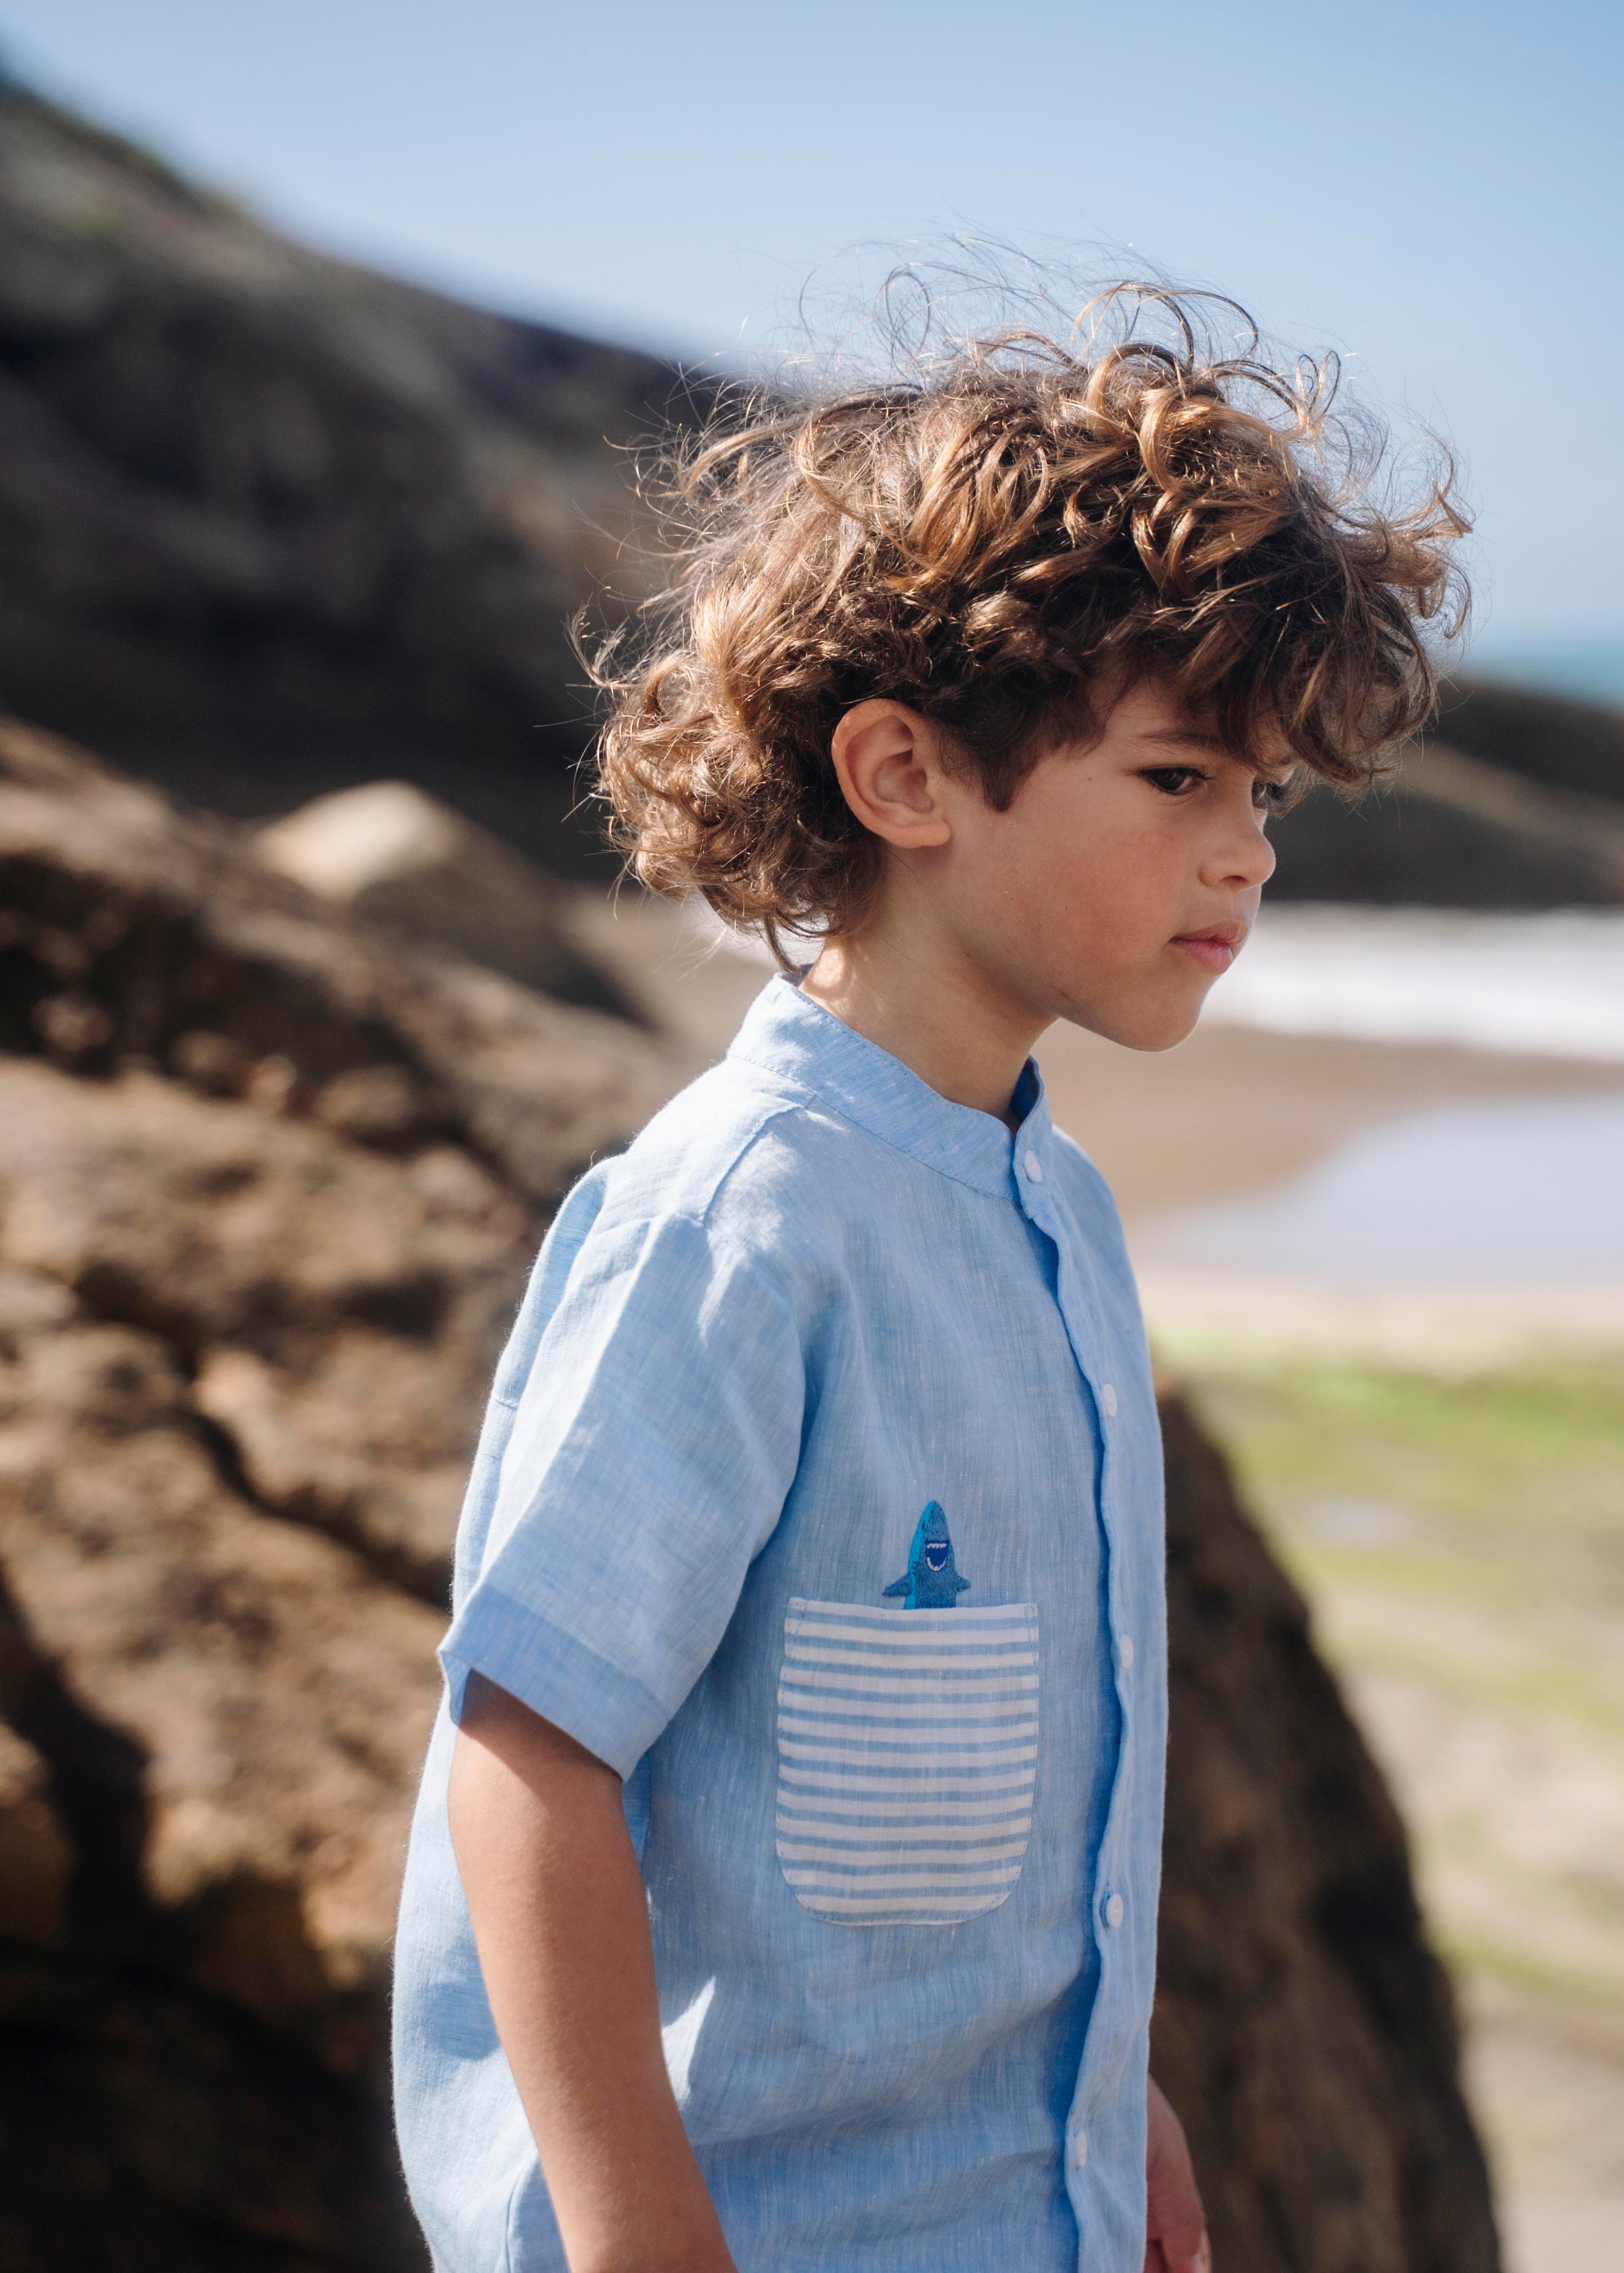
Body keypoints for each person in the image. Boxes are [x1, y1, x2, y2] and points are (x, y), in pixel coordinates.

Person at [392, 284, 1465, 2273]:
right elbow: (527, 1763)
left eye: (1269, 798)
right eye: (1178, 781)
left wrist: (1097, 2098)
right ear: (905, 776)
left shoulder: (1054, 1216)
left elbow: (986, 1818)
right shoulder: (740, 1226)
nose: (1247, 857)